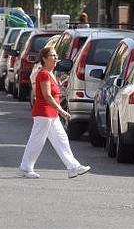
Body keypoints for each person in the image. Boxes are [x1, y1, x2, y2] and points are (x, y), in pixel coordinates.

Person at [18, 47, 91, 179]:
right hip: (44, 112)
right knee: (37, 140)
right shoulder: (44, 74)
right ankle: (26, 167)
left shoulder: (51, 73)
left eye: (56, 55)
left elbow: (54, 93)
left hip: (51, 113)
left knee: (62, 139)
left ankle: (73, 167)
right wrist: (62, 110)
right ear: (44, 59)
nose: (55, 58)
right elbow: (47, 96)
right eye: (52, 55)